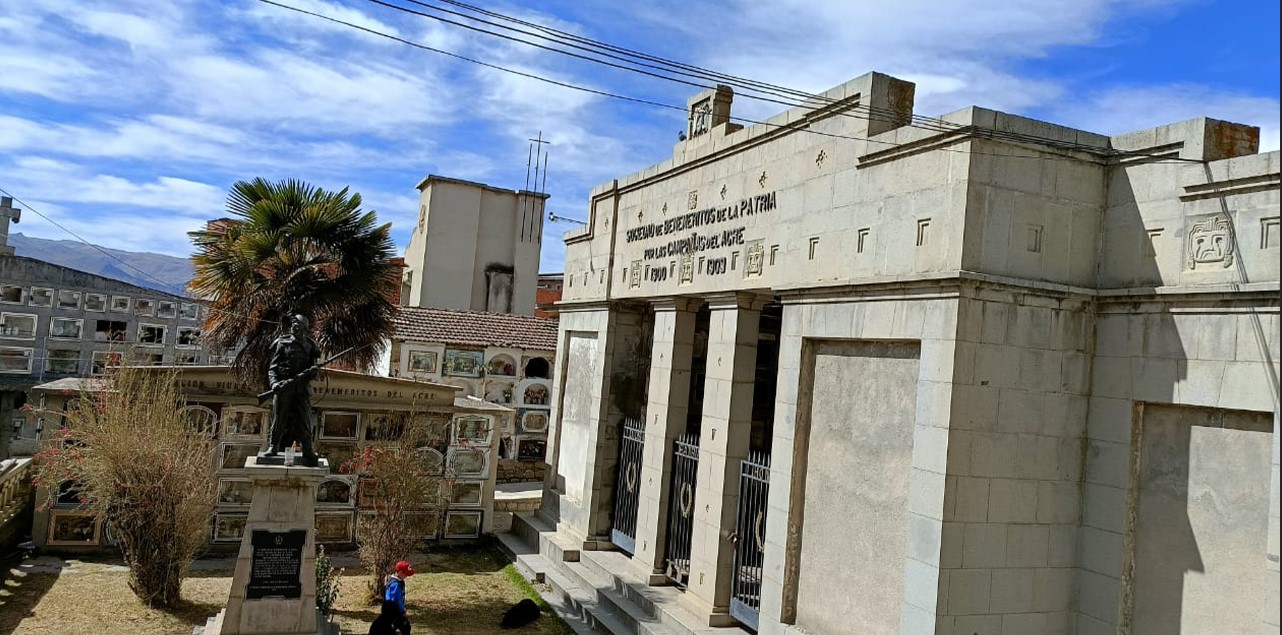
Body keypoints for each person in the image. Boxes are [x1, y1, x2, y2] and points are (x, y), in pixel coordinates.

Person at [264, 314, 321, 466]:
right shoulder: (282, 343)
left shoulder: (310, 346)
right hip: (284, 387)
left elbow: (314, 370)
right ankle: (273, 446)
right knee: (279, 418)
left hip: (301, 389)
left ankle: (308, 449)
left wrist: (313, 371)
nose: (293, 328)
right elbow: (272, 368)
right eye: (292, 326)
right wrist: (274, 384)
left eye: (297, 326)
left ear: (304, 328)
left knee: (304, 420)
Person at [384, 560, 414, 634]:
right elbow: (394, 600)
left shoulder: (395, 581)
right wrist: (402, 611)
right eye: (406, 574)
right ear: (400, 572)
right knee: (405, 628)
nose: (406, 576)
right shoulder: (395, 584)